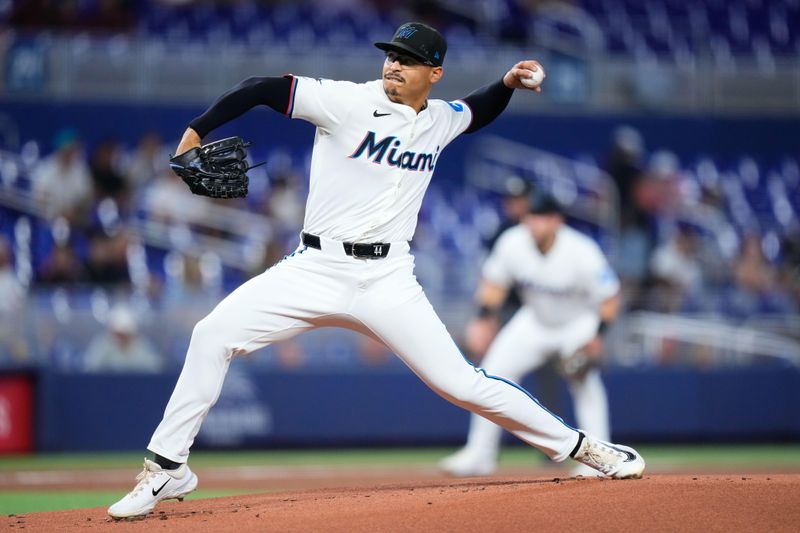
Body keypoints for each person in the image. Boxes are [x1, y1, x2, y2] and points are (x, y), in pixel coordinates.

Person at [108, 22, 644, 520]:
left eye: (408, 61)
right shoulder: (345, 100)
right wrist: (197, 129)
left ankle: (586, 448)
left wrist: (505, 82)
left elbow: (477, 110)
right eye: (391, 55)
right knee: (211, 335)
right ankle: (167, 469)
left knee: (461, 383)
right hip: (315, 266)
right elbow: (260, 87)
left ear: (433, 74)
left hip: (388, 279)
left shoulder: (439, 119)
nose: (393, 65)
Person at [440, 194, 621, 477]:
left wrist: (597, 336)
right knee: (492, 373)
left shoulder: (581, 250)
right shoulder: (513, 242)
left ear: (556, 220)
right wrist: (483, 320)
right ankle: (480, 454)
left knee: (585, 384)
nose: (533, 224)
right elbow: (493, 284)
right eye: (530, 217)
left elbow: (609, 298)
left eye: (540, 217)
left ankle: (599, 459)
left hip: (577, 323)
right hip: (534, 321)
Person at [84, 305, 163, 373]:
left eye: (125, 333)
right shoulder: (103, 344)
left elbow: (156, 367)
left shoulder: (142, 346)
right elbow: (90, 366)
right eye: (118, 333)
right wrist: (107, 344)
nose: (122, 337)